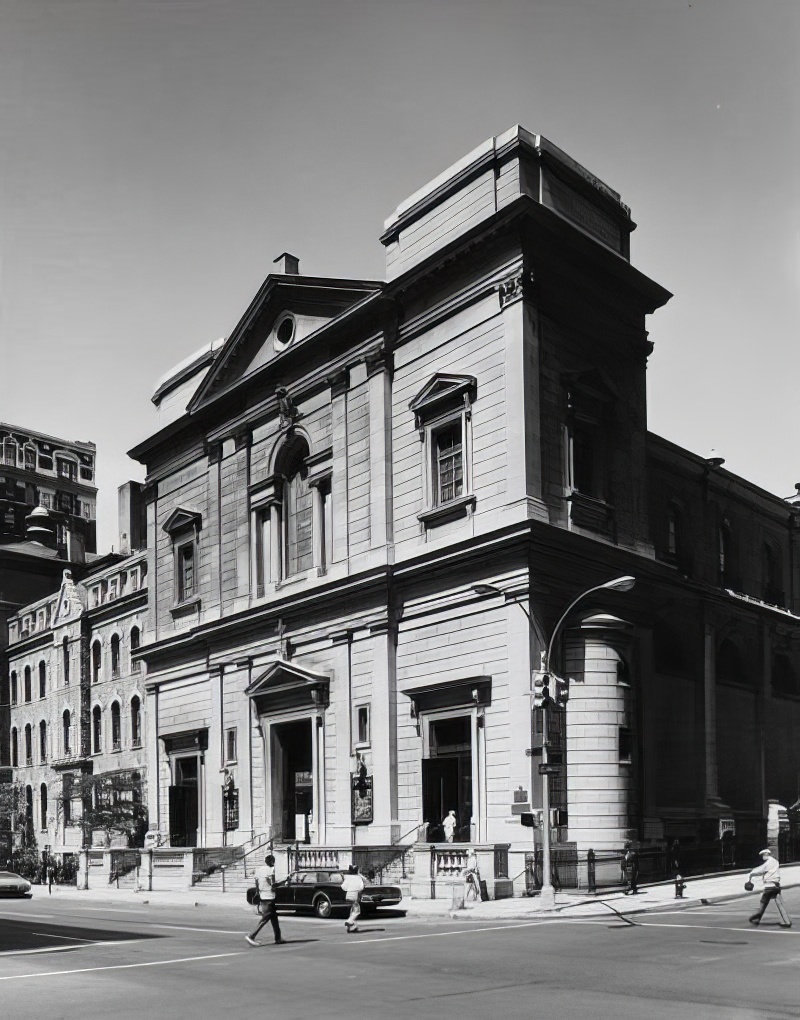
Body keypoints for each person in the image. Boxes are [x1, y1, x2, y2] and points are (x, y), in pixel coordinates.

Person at [246, 853, 286, 946]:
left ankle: (278, 938)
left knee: (274, 919)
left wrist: (257, 891)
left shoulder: (259, 870)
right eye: (274, 861)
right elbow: (273, 885)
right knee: (265, 919)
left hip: (263, 896)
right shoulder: (271, 870)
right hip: (269, 897)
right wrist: (284, 881)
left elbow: (256, 880)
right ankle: (251, 936)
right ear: (272, 862)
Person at [747, 848, 792, 928]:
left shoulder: (768, 863)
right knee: (779, 905)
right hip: (777, 886)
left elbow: (760, 870)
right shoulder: (776, 862)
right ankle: (786, 922)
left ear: (766, 855)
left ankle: (756, 918)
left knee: (763, 904)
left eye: (762, 856)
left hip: (769, 886)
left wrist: (751, 873)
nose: (762, 858)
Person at [342, 863, 365, 933]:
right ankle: (349, 921)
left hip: (348, 894)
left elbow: (343, 887)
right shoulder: (358, 878)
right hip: (355, 894)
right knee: (357, 911)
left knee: (352, 910)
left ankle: (351, 927)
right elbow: (361, 887)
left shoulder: (347, 877)